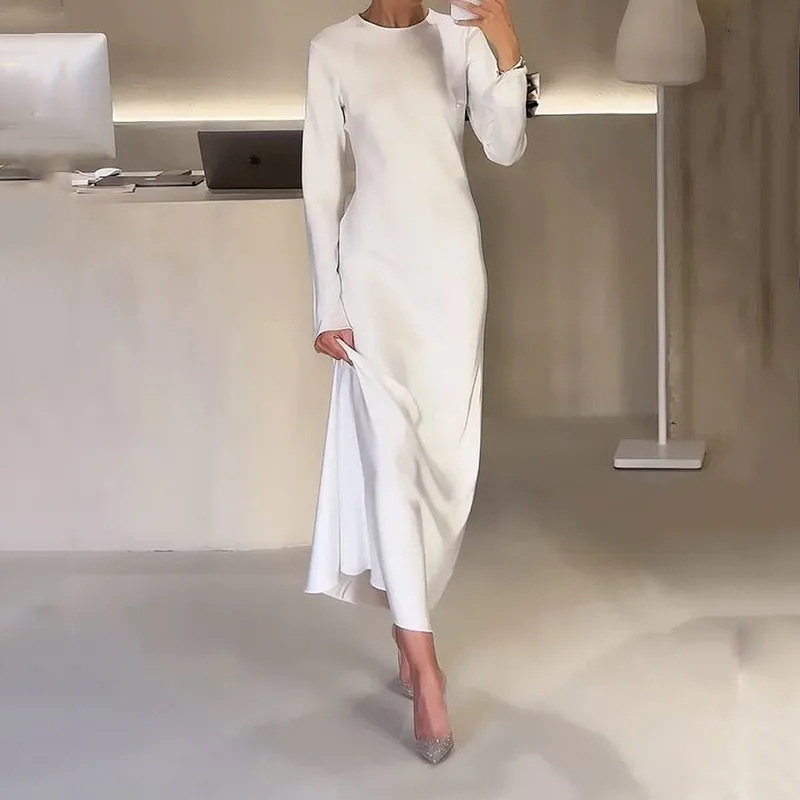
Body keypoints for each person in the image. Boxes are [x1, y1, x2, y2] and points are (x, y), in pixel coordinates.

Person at [302, 0, 533, 764]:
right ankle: (426, 669)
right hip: (374, 274)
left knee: (443, 465)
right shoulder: (332, 49)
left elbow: (504, 146)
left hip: (450, 270)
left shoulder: (456, 37)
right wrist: (328, 303)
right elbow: (321, 185)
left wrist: (505, 44)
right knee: (389, 461)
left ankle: (409, 621)